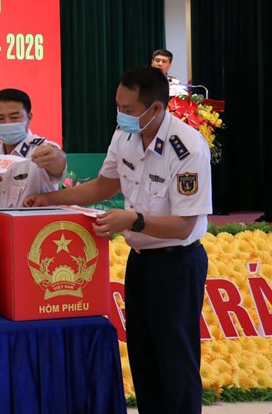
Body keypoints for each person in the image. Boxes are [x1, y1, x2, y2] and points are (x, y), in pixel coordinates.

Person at [25, 66, 211, 413]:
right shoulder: (125, 135)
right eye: (118, 107)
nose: (120, 115)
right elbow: (103, 186)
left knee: (175, 359)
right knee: (144, 356)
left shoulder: (186, 149)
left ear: (156, 108)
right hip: (140, 261)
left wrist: (134, 220)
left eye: (127, 109)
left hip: (176, 264)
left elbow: (184, 226)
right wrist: (48, 199)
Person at [0, 88, 66, 208]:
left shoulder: (44, 149)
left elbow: (58, 162)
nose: (7, 123)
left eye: (14, 117)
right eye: (0, 118)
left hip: (32, 220)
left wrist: (55, 157)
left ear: (29, 118)